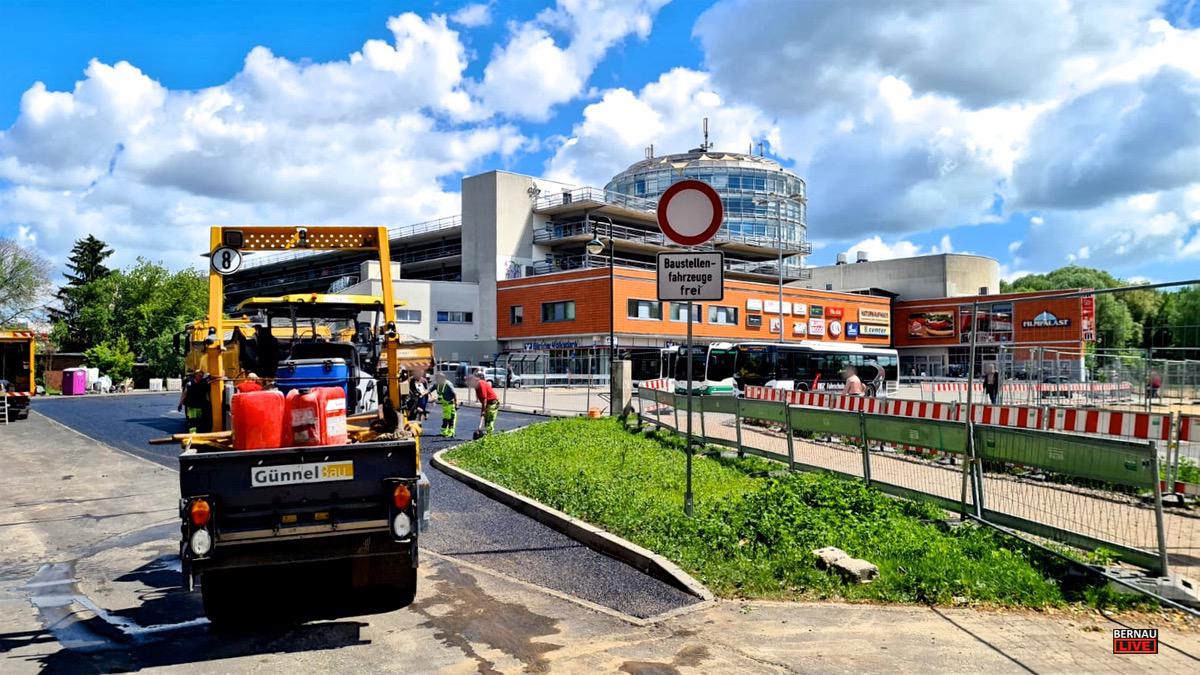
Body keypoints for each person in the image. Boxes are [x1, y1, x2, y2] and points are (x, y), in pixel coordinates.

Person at [433, 372, 458, 437]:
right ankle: (444, 432)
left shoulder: (448, 384)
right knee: (445, 419)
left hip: (450, 405)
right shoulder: (437, 384)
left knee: (451, 419)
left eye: (437, 378)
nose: (436, 380)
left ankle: (451, 433)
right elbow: (430, 389)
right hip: (444, 406)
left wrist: (456, 403)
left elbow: (454, 393)